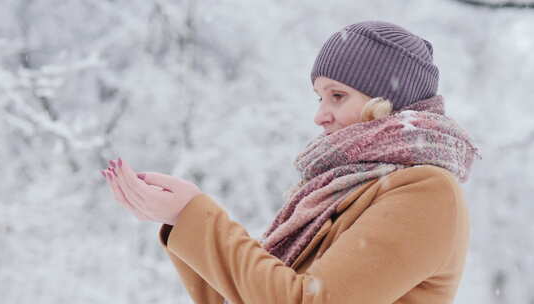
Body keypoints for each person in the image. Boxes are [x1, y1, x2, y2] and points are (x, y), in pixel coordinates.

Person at [104, 20, 482, 303]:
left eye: (337, 96)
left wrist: (195, 216)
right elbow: (246, 296)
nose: (320, 116)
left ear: (386, 103)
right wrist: (178, 219)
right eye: (319, 97)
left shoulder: (427, 193)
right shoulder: (340, 189)